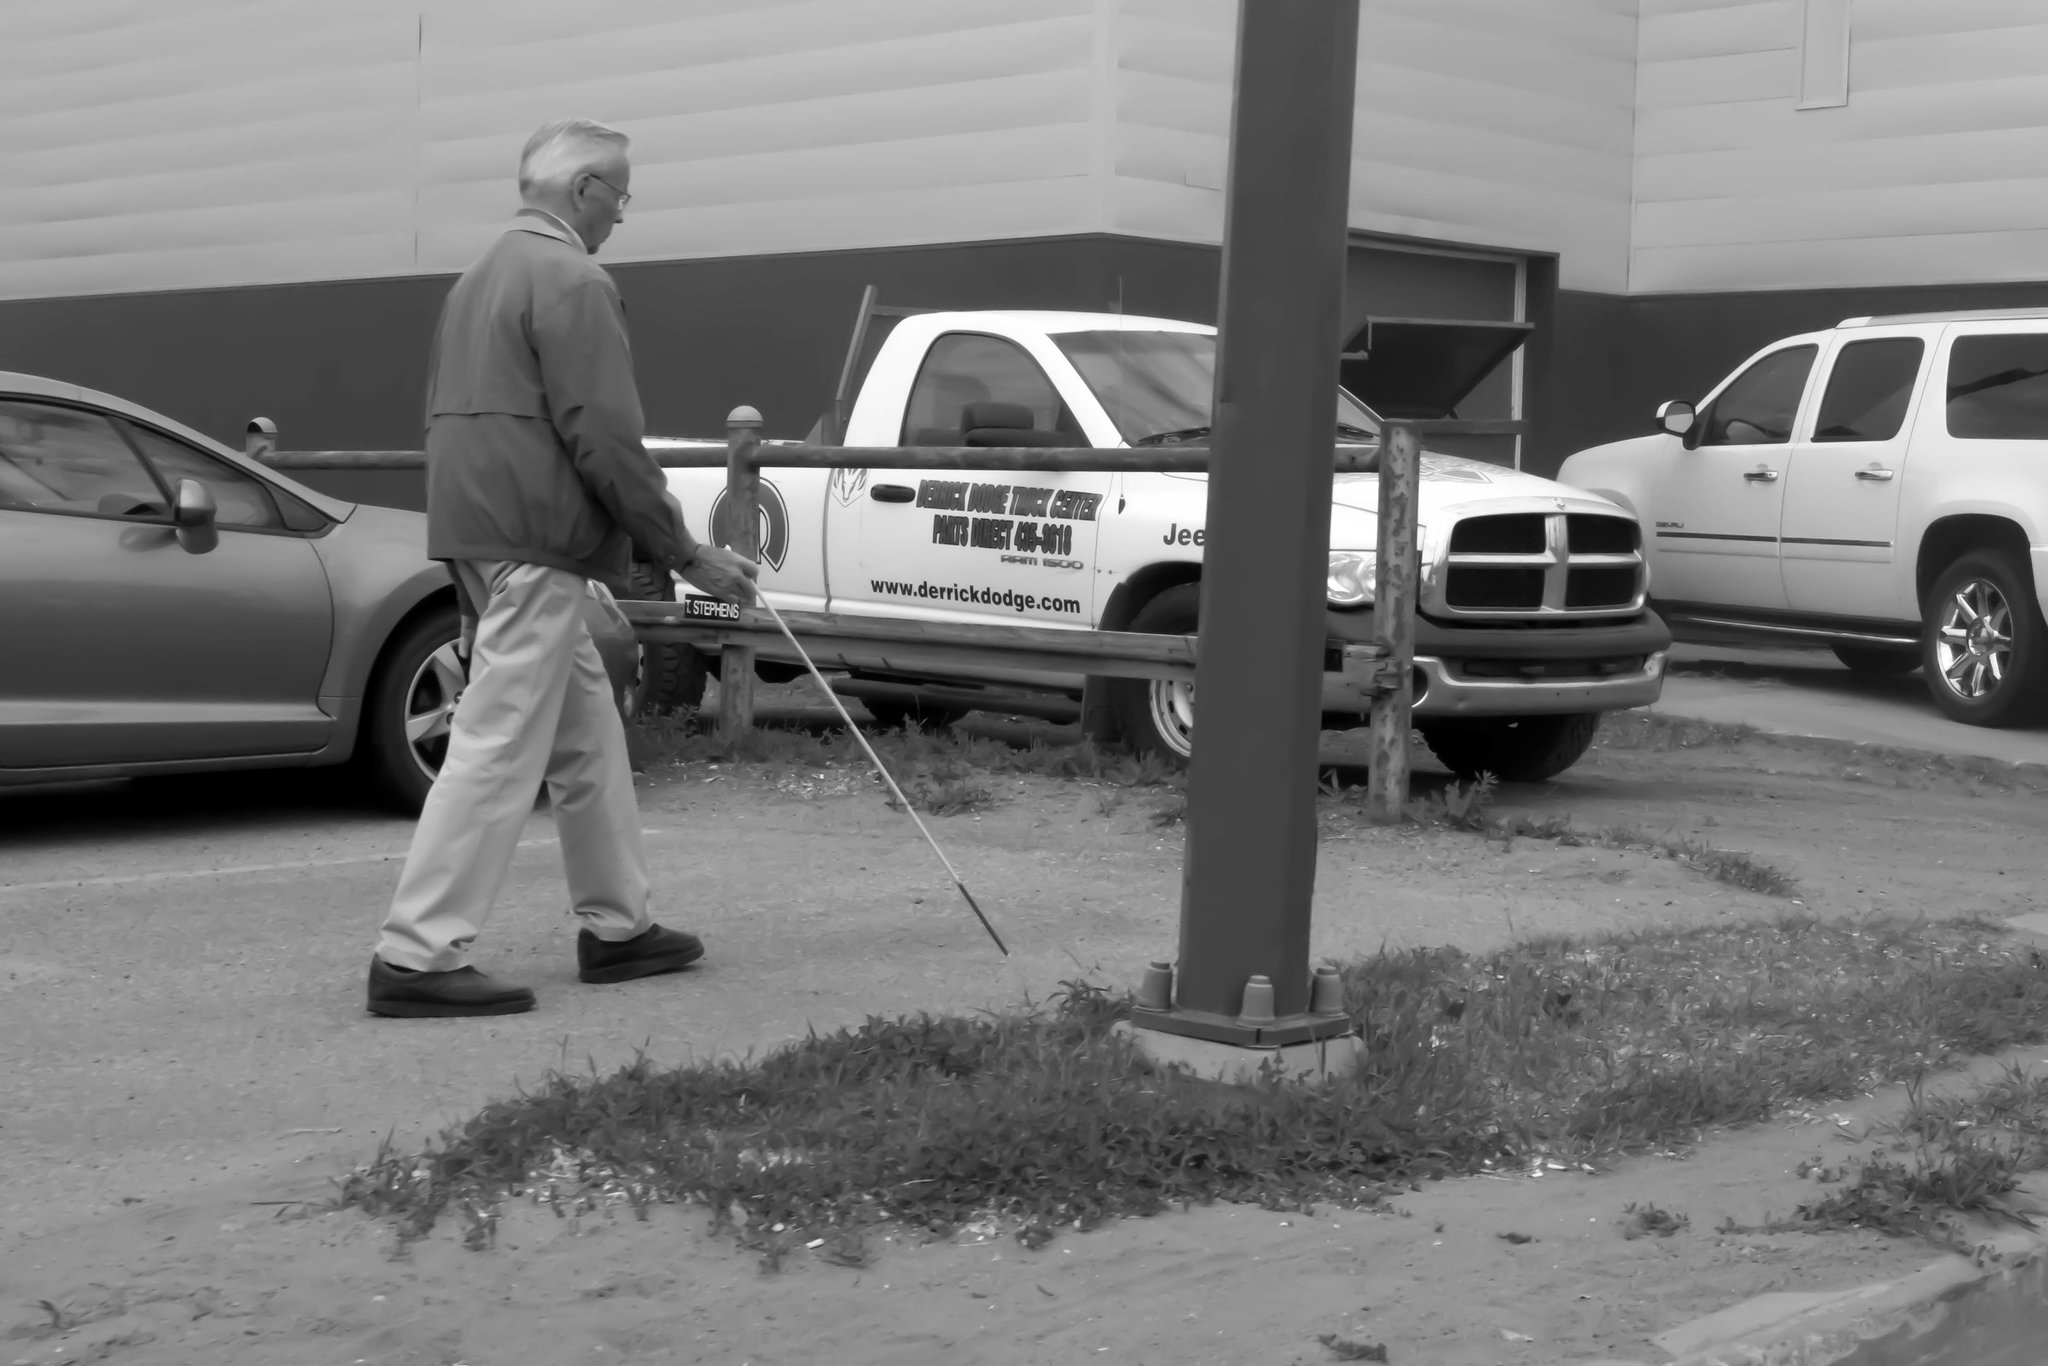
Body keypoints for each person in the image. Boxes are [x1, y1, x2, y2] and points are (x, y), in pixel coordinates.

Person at [366, 117, 757, 1018]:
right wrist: (687, 553)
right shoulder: (574, 279)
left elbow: (453, 418)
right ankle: (417, 953)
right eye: (620, 195)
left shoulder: (476, 280)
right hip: (537, 544)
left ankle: (620, 929)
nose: (622, 214)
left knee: (586, 737)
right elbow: (607, 439)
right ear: (584, 190)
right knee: (499, 745)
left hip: (483, 535)